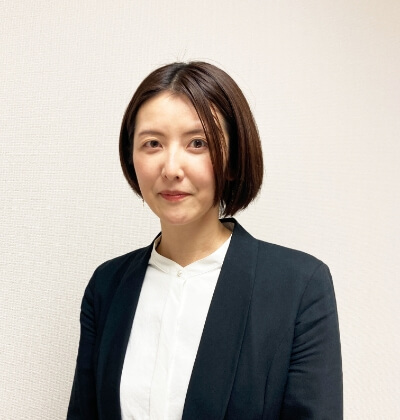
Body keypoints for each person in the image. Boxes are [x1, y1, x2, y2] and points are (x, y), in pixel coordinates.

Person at [67, 62, 343, 419]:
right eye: (152, 143)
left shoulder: (298, 286)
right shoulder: (107, 286)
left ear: (233, 159)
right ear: (131, 158)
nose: (171, 169)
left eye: (197, 143)